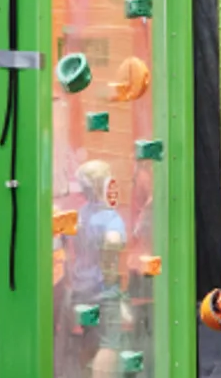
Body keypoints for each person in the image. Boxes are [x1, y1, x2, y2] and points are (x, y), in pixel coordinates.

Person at [63, 158, 129, 375]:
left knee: (89, 340)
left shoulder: (82, 214)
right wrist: (110, 266)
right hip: (103, 290)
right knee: (109, 342)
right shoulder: (109, 217)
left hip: (82, 288)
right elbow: (112, 240)